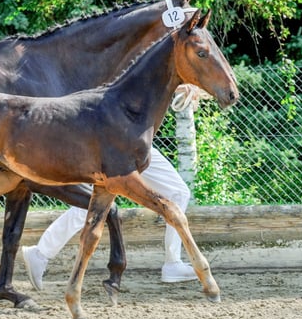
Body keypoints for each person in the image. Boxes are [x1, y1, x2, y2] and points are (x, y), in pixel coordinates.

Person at [21, 84, 203, 290]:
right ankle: (40, 252)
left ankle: (41, 253)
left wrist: (179, 87)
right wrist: (177, 87)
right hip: (121, 135)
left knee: (97, 203)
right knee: (97, 203)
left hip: (127, 134)